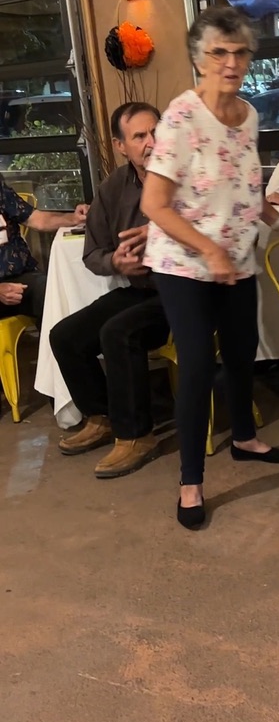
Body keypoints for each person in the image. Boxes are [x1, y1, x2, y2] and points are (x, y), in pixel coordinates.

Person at [141, 6, 279, 532]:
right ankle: (190, 481)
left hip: (236, 258)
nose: (231, 63)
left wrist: (276, 222)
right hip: (183, 263)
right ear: (198, 58)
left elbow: (242, 185)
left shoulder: (248, 115)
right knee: (198, 366)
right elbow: (154, 204)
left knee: (242, 350)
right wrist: (209, 250)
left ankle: (245, 439)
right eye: (219, 53)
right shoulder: (180, 119)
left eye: (240, 52)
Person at [50, 102, 171, 478]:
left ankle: (137, 436)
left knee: (118, 332)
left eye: (156, 131)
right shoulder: (113, 188)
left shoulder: (185, 176)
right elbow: (92, 252)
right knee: (65, 335)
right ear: (120, 146)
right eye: (140, 136)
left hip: (182, 292)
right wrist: (117, 263)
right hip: (140, 288)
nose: (152, 142)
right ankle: (101, 416)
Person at [0, 179, 88, 325]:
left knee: (53, 294)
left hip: (19, 277)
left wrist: (73, 218)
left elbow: (36, 219)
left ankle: (54, 340)